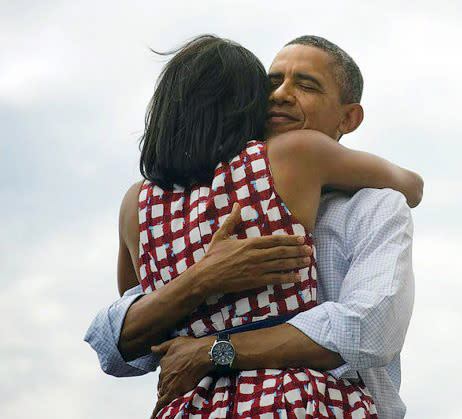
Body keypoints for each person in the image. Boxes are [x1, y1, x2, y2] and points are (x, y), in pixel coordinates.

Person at [86, 35, 419, 419]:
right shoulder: (285, 162)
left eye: (306, 85)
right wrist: (203, 277)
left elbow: (368, 330)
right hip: (295, 400)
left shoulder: (139, 203)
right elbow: (126, 336)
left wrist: (212, 348)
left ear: (348, 118)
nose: (279, 95)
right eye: (270, 83)